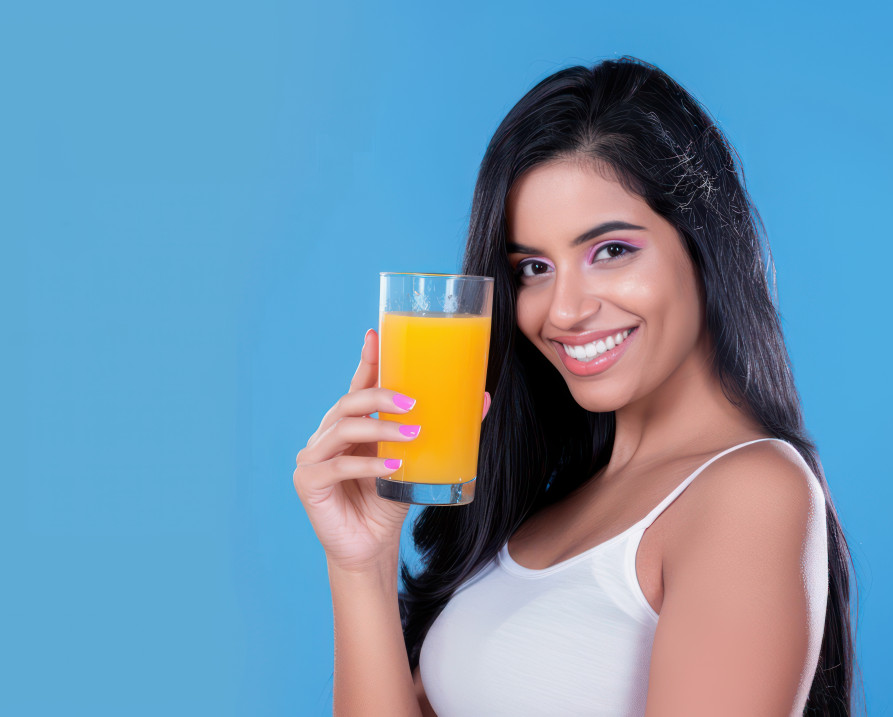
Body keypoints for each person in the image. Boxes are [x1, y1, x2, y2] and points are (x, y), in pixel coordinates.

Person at [293, 55, 860, 717]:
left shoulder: (751, 490)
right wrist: (360, 561)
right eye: (533, 266)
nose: (562, 310)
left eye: (611, 250)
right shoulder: (545, 505)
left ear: (701, 244)